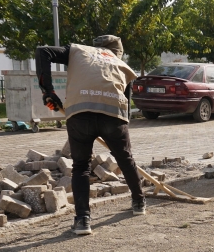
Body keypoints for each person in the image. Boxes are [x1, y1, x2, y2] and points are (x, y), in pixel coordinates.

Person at [35, 35, 145, 235]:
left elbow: (44, 52)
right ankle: (139, 202)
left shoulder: (78, 51)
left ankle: (83, 220)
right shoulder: (122, 65)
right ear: (118, 51)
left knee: (81, 167)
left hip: (80, 113)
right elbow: (126, 108)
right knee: (125, 159)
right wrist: (118, 137)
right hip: (113, 115)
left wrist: (48, 92)